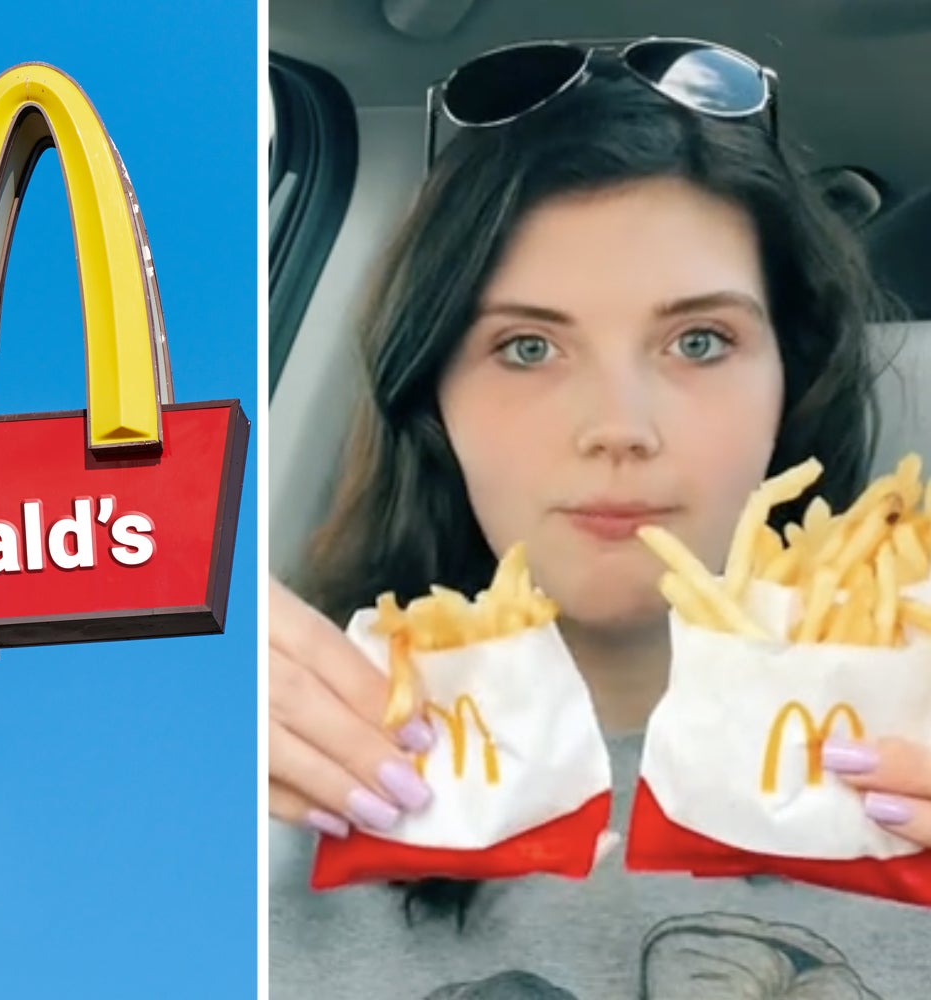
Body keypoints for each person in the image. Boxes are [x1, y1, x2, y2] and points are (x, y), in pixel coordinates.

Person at [268, 41, 931, 997]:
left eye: (699, 341)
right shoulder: (271, 765)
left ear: (793, 380)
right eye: (528, 347)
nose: (618, 428)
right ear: (434, 400)